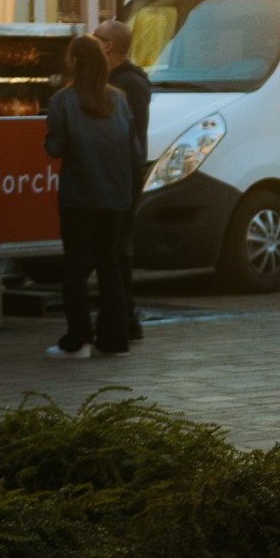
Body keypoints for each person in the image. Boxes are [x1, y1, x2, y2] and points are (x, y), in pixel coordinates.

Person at [44, 35, 143, 360]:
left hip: (79, 194)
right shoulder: (120, 99)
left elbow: (55, 147)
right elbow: (134, 150)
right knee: (109, 264)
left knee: (75, 268)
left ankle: (78, 339)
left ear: (74, 62)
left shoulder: (63, 101)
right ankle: (113, 338)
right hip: (115, 193)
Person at [93, 19, 150, 341]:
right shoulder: (116, 79)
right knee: (113, 247)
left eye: (95, 36)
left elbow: (132, 133)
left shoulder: (129, 83)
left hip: (122, 175)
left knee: (118, 247)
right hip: (119, 173)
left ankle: (125, 315)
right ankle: (123, 313)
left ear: (108, 45)